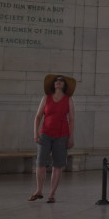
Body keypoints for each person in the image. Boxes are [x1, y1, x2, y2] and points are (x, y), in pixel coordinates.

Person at [30, 74, 76, 203]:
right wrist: (35, 133)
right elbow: (38, 117)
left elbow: (72, 119)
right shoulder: (46, 98)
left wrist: (71, 137)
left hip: (62, 135)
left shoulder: (69, 99)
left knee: (57, 165)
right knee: (40, 164)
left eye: (61, 81)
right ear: (53, 84)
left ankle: (51, 194)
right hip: (45, 134)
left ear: (64, 85)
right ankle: (39, 191)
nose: (58, 82)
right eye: (56, 80)